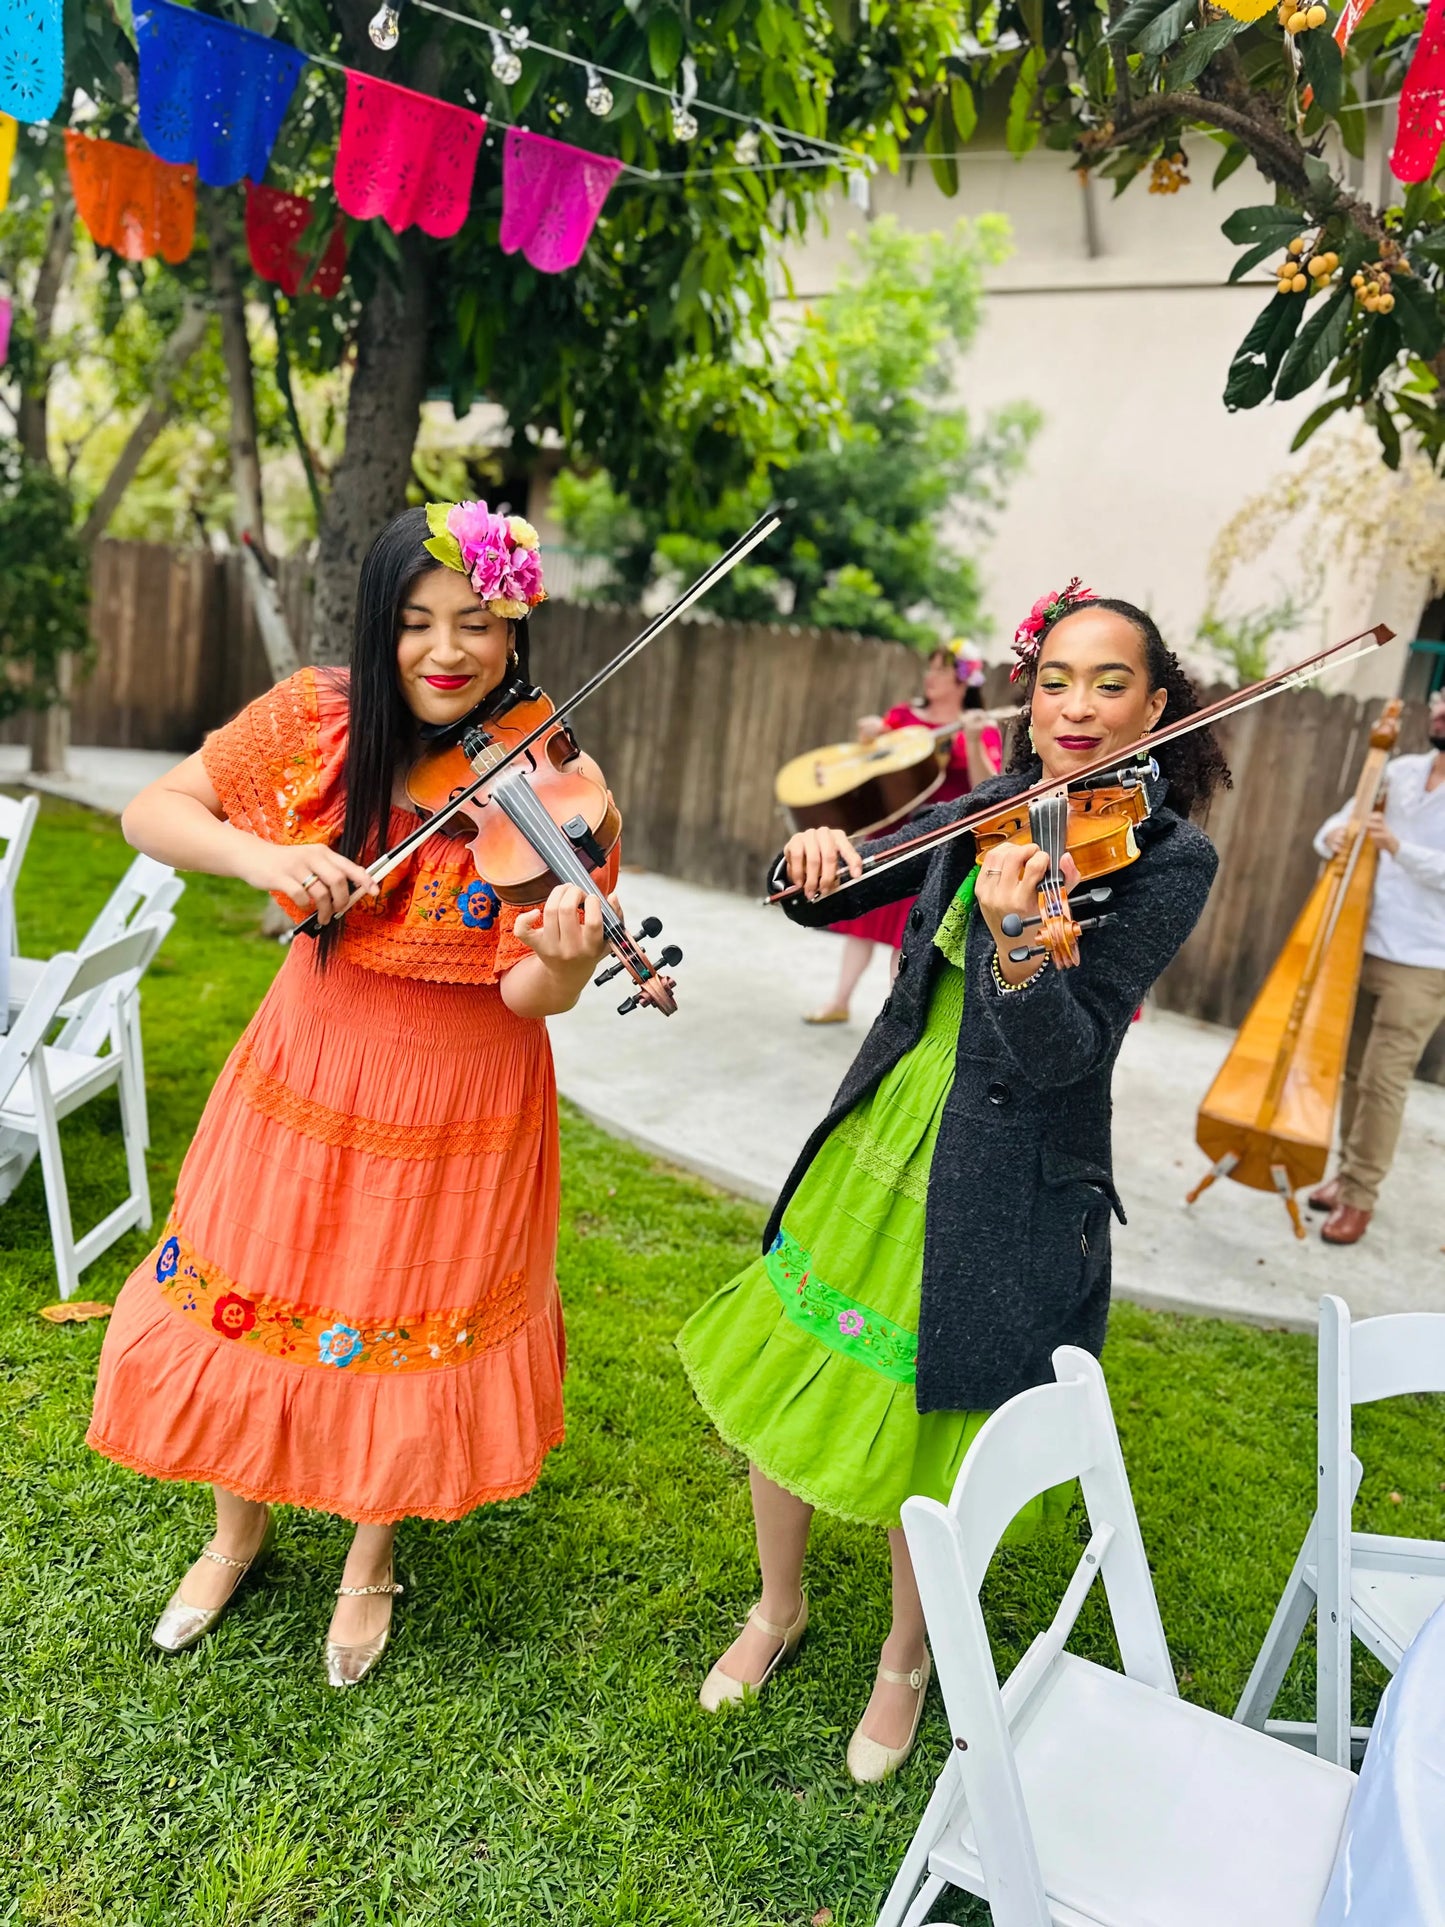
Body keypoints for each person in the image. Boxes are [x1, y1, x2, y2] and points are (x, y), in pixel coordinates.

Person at [677, 583, 1225, 1782]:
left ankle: (904, 1658)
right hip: (883, 1133)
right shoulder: (990, 805)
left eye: (1108, 682)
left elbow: (1067, 1053)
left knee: (938, 1420)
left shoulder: (1168, 860)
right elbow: (832, 883)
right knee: (797, 1372)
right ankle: (778, 1606)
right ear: (1025, 702)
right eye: (1053, 681)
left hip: (1007, 1172)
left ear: (1155, 705)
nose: (1075, 706)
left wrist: (1023, 946)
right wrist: (809, 854)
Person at [87, 501, 621, 1686]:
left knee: (404, 1307)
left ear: (514, 630)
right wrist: (266, 856)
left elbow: (532, 993)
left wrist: (573, 958)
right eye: (415, 622)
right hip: (309, 1062)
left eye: (475, 624)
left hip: (463, 1095)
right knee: (258, 1282)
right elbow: (153, 809)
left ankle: (368, 1555)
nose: (446, 651)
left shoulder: (556, 781)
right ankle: (237, 1533)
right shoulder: (317, 720)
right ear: (376, 630)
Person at [1307, 684, 1445, 1246]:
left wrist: (1397, 848)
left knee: (1385, 1082)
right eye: (1440, 699)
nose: (1439, 710)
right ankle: (1347, 1174)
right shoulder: (1403, 770)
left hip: (1425, 959)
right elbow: (1328, 830)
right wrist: (1337, 835)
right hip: (1361, 943)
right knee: (1355, 1074)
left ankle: (1361, 1197)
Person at [806, 642, 1004, 1025]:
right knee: (861, 925)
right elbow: (868, 775)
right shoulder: (901, 717)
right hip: (892, 831)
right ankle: (840, 1000)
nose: (929, 677)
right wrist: (870, 741)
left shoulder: (979, 726)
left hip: (937, 842)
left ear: (962, 680)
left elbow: (989, 789)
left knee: (911, 933)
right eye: (928, 669)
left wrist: (976, 740)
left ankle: (896, 1018)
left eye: (940, 672)